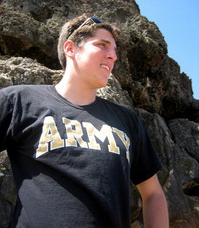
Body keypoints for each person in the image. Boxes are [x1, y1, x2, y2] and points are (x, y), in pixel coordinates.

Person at [0, 14, 169, 228]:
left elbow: (153, 193)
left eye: (115, 50)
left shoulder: (127, 120)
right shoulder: (19, 101)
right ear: (71, 49)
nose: (113, 56)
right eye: (102, 45)